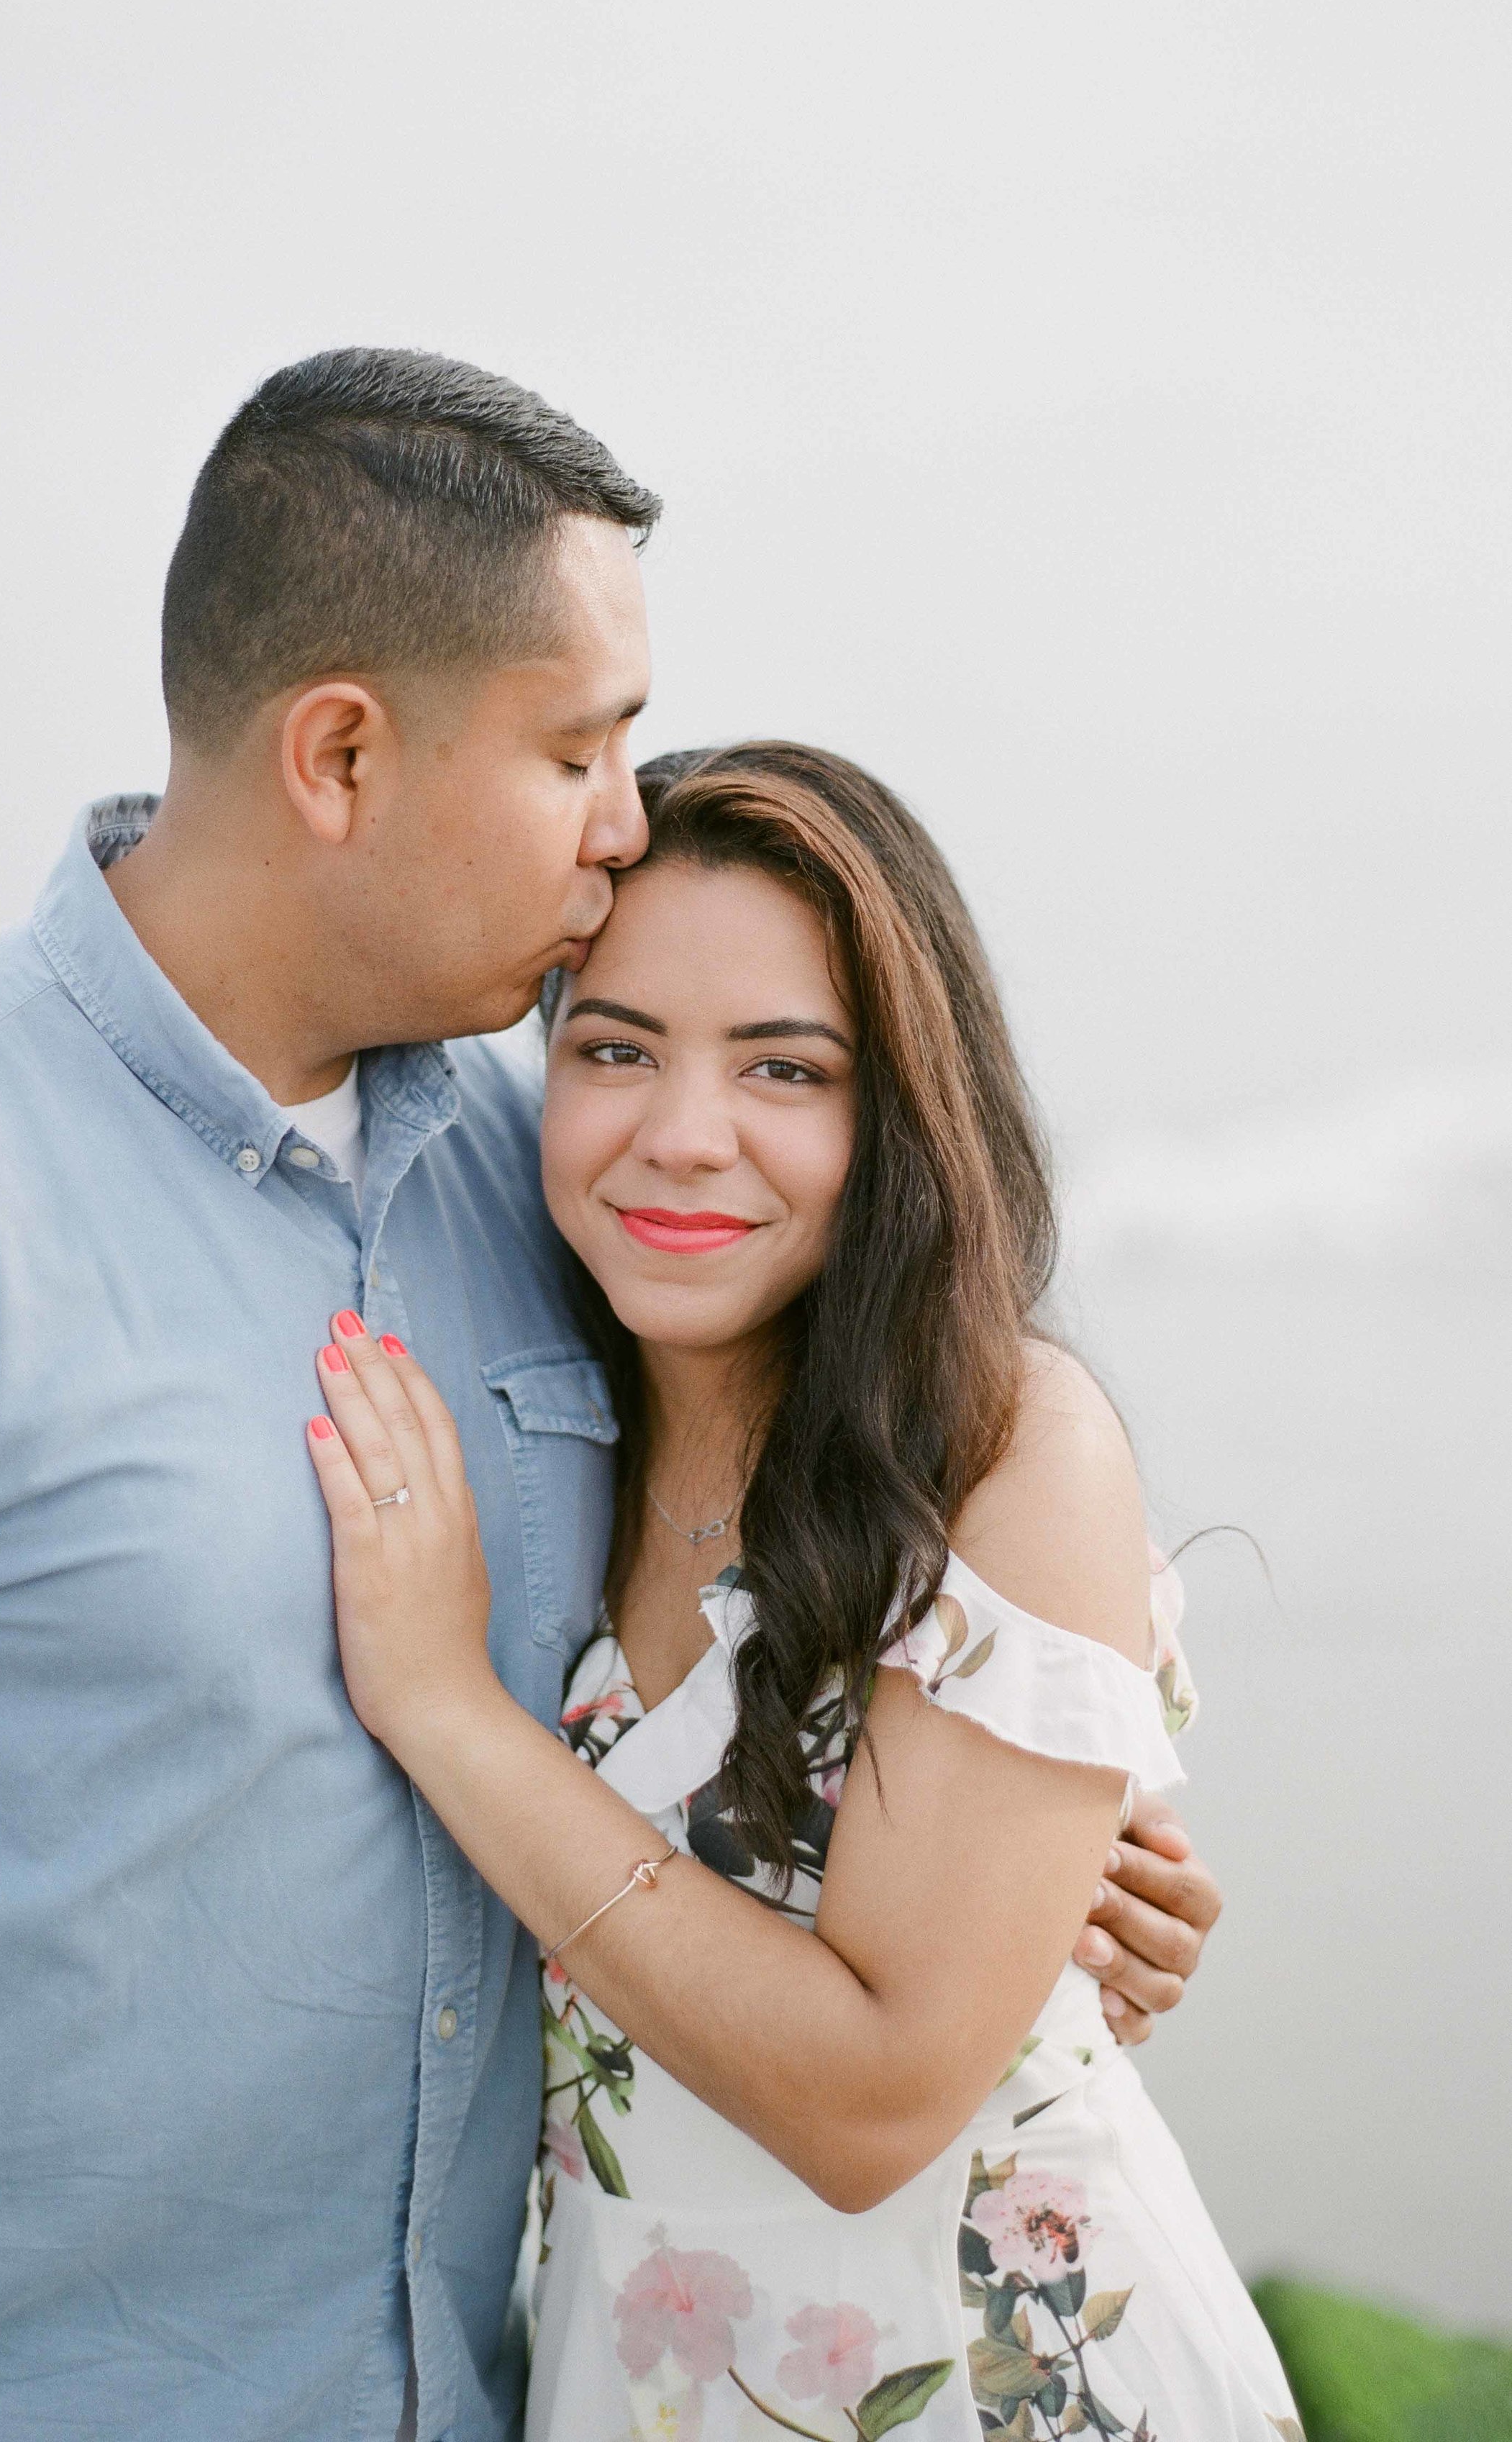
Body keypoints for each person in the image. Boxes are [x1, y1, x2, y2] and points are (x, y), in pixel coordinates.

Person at [0, 356, 1219, 2441]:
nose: (624, 823)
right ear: (338, 751)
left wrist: (1027, 1868)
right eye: (580, 750)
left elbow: (822, 1595)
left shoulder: (561, 1187)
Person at [303, 743, 1298, 2441]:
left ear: (902, 1108)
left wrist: (444, 1707)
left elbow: (867, 2107)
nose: (683, 1138)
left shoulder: (1002, 1442)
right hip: (647, 2371)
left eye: (785, 1068)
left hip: (998, 2386)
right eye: (613, 1050)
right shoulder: (549, 1426)